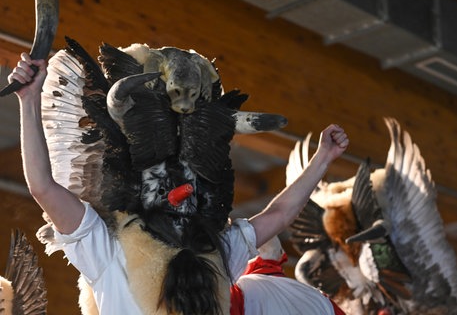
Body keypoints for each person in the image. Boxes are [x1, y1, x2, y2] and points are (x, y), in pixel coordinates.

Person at [9, 52, 349, 314]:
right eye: (162, 183)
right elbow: (43, 187)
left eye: (191, 184)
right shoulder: (108, 253)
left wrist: (323, 158)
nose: (184, 191)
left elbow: (279, 216)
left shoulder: (214, 251)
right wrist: (29, 99)